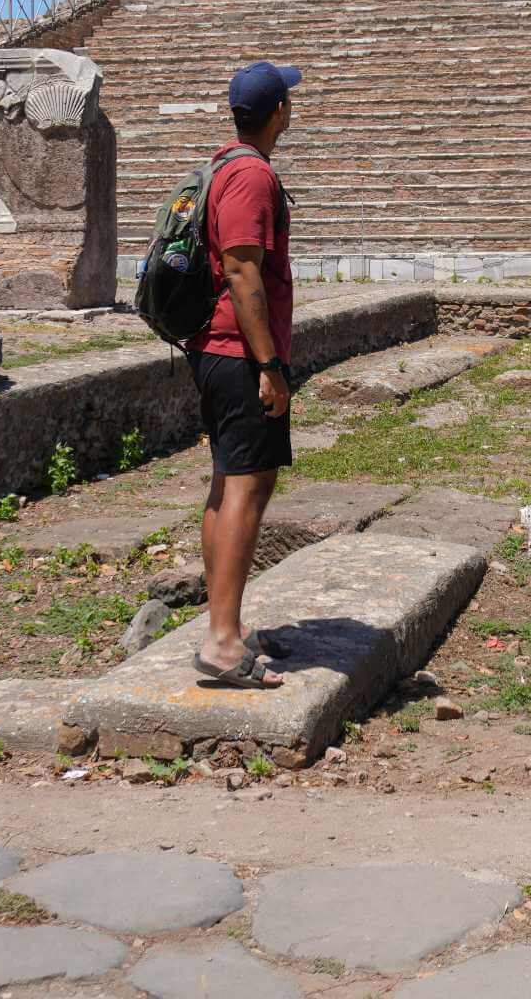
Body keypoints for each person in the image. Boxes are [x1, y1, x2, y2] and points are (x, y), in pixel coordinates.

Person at [185, 60, 301, 689]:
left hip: (218, 351)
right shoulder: (252, 176)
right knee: (248, 489)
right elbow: (241, 269)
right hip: (239, 355)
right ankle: (223, 642)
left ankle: (221, 624)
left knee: (229, 483)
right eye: (289, 101)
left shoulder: (224, 164)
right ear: (278, 111)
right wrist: (269, 366)